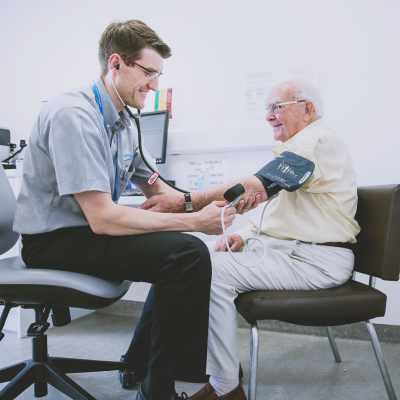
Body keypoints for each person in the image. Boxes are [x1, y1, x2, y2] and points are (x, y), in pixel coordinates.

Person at [12, 19, 245, 400]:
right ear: (116, 63)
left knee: (177, 251)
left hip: (84, 233)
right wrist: (195, 224)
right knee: (186, 252)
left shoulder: (125, 122)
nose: (155, 85)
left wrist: (209, 202)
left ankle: (139, 365)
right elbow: (103, 218)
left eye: (159, 75)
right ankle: (158, 389)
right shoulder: (74, 114)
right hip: (51, 242)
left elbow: (157, 188)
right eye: (149, 73)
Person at [139, 78, 361, 399]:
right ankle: (214, 372)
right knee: (196, 260)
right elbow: (279, 209)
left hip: (315, 261)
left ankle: (225, 388)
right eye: (267, 108)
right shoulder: (301, 148)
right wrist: (242, 234)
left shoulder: (319, 142)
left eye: (276, 107)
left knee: (205, 270)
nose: (268, 116)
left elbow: (256, 186)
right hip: (294, 254)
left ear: (307, 109)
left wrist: (184, 201)